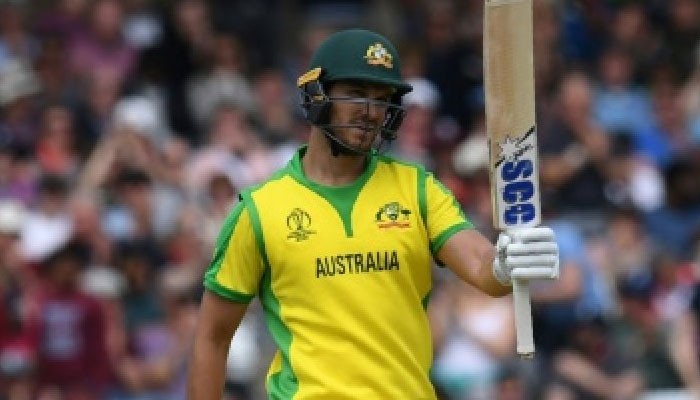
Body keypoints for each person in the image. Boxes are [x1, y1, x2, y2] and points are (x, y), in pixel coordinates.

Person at [188, 29, 560, 400]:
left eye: (381, 99)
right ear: (317, 94)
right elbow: (212, 337)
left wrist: (506, 264)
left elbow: (481, 265)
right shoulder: (260, 210)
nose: (369, 112)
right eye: (355, 93)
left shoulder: (417, 189)